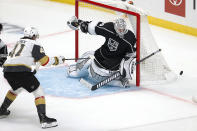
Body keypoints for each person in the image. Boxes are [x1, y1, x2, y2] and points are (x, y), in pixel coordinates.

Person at [0, 27, 65, 129]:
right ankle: (43, 119)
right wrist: (57, 60)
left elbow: (21, 57)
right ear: (33, 36)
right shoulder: (34, 44)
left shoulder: (19, 43)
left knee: (16, 89)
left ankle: (2, 110)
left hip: (7, 71)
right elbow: (45, 61)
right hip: (21, 72)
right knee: (38, 92)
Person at [67, 16, 137, 87]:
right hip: (102, 64)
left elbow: (132, 55)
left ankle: (78, 72)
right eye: (119, 29)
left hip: (104, 72)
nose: (121, 31)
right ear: (115, 27)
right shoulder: (110, 28)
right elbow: (93, 27)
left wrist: (129, 66)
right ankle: (118, 82)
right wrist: (80, 23)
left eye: (123, 29)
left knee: (87, 58)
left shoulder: (129, 38)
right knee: (89, 55)